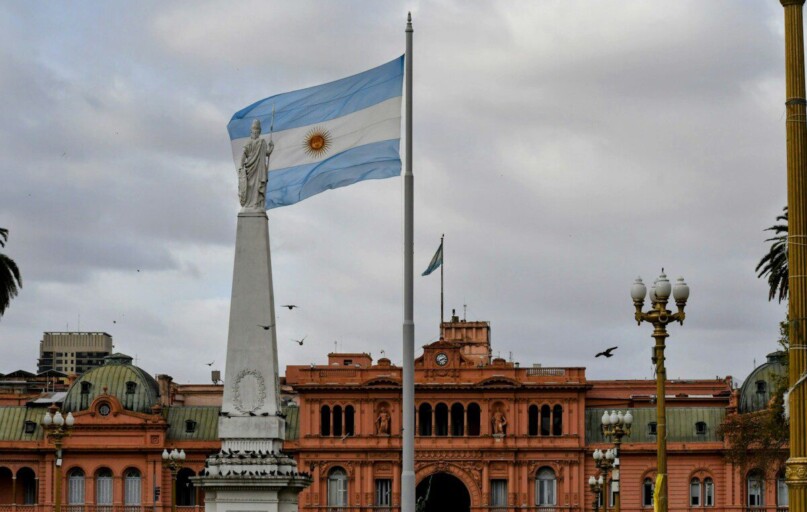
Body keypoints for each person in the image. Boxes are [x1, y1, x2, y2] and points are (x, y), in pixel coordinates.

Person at [238, 119, 274, 209]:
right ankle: (248, 205)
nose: (255, 131)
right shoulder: (248, 142)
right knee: (249, 187)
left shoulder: (262, 142)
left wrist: (271, 147)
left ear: (260, 131)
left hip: (259, 169)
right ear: (251, 131)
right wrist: (240, 166)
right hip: (250, 169)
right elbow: (243, 155)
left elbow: (267, 153)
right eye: (254, 129)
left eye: (257, 129)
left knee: (257, 187)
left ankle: (256, 205)